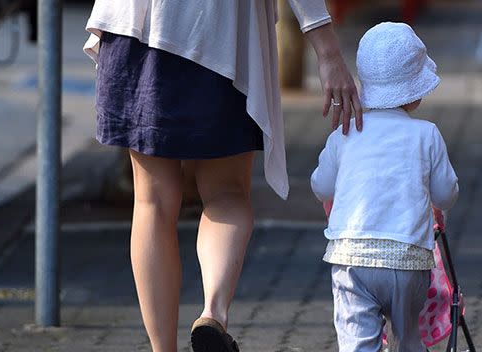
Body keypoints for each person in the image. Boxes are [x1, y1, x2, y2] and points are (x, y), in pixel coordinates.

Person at [82, 2, 363, 352]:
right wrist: (327, 51)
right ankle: (213, 312)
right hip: (220, 34)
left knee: (152, 201)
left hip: (136, 27)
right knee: (226, 193)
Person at [310, 22, 459, 352]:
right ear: (417, 93)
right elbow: (446, 192)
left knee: (357, 341)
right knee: (408, 339)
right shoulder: (427, 134)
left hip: (353, 258)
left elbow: (321, 186)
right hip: (408, 260)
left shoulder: (345, 134)